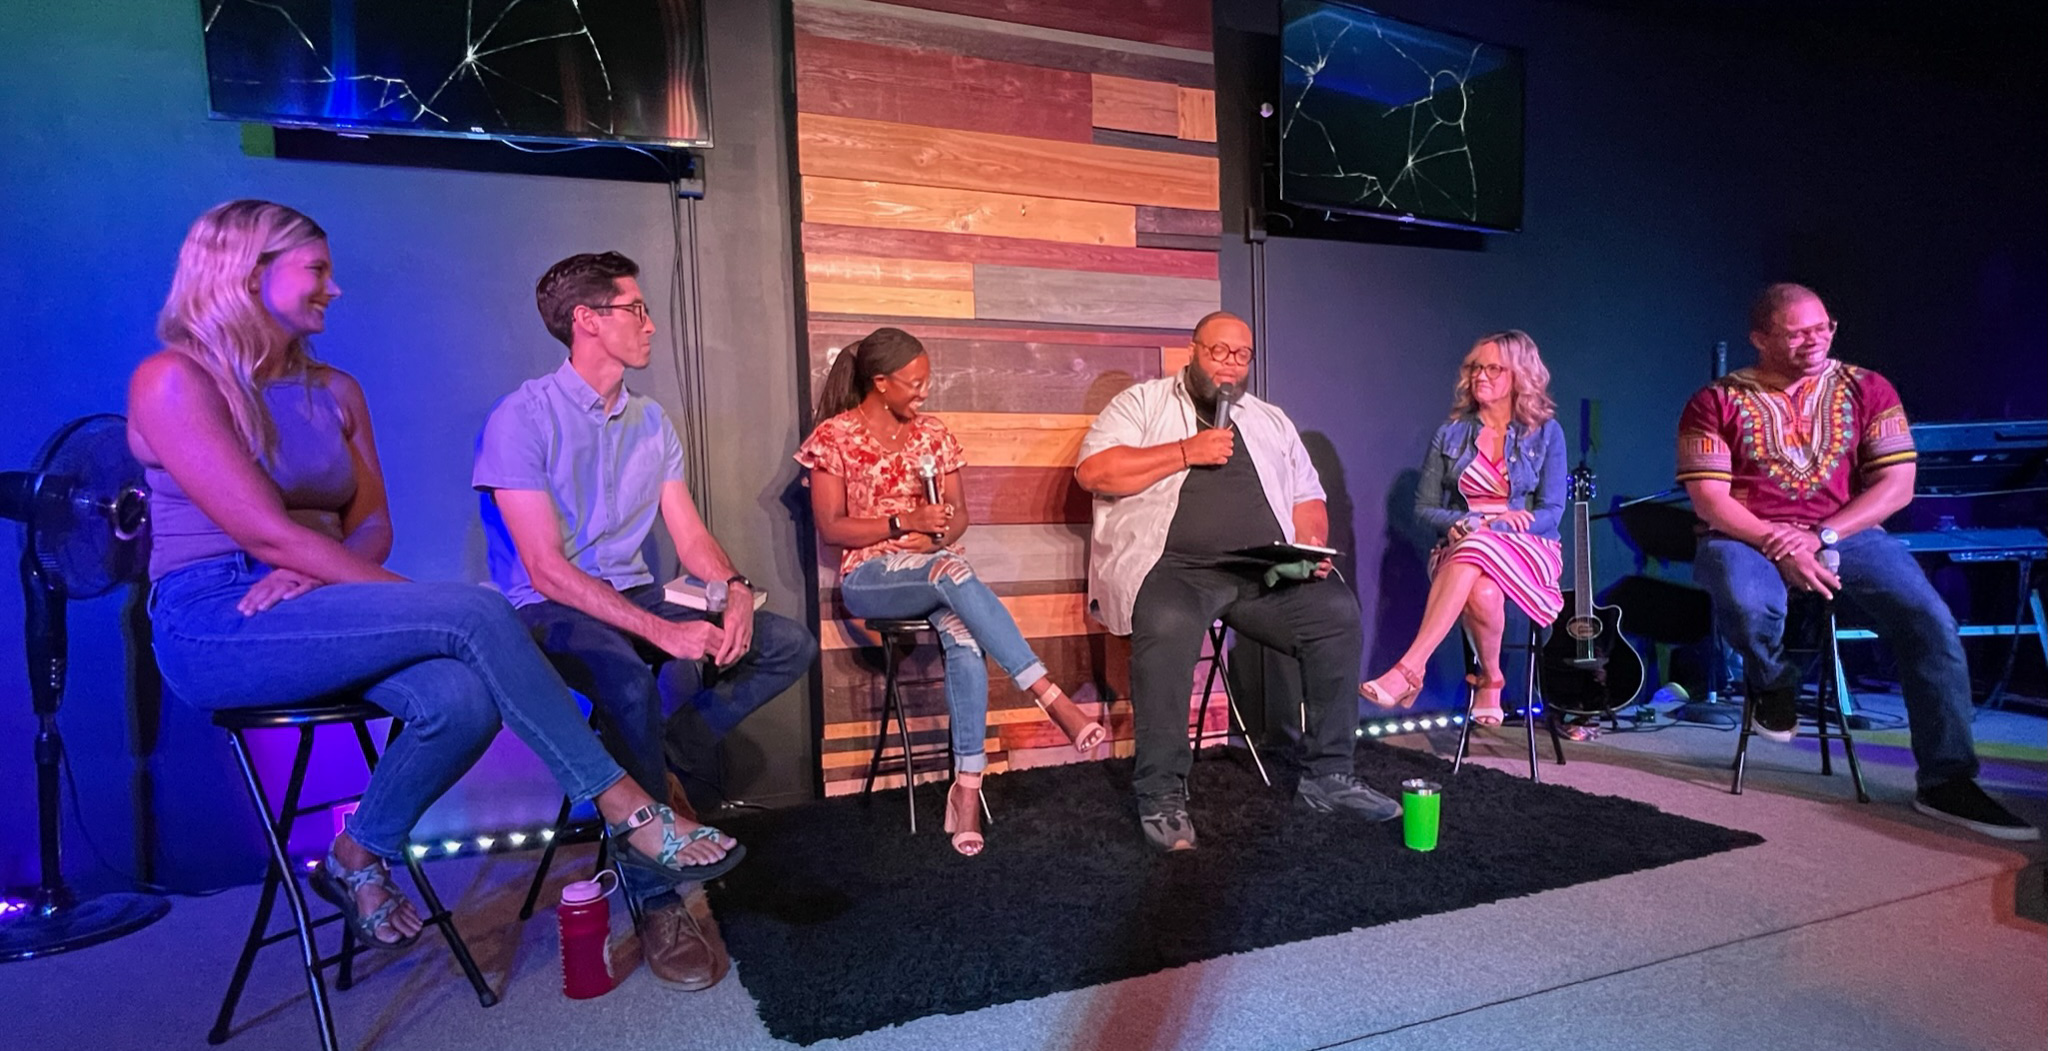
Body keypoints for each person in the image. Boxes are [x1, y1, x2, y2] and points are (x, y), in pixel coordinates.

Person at [132, 201, 741, 955]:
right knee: (478, 614)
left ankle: (357, 852)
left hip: (324, 593)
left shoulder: (335, 389)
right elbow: (263, 530)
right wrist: (328, 570)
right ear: (247, 272)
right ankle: (629, 808)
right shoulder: (172, 379)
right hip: (218, 615)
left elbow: (372, 523)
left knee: (461, 697)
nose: (335, 287)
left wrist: (325, 574)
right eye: (317, 271)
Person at [474, 251, 816, 987]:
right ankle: (660, 896)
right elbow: (545, 570)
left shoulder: (653, 420)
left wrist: (730, 591)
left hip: (634, 591)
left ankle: (661, 762)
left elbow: (687, 534)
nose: (651, 324)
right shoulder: (519, 417)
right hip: (547, 608)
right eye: (636, 309)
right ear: (587, 321)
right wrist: (663, 631)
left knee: (784, 640)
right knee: (624, 675)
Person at [1677, 282, 2036, 841]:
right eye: (1797, 333)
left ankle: (1947, 781)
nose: (1814, 341)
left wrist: (1823, 534)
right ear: (1760, 338)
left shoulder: (1868, 388)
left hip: (1844, 532)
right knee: (1745, 600)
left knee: (1929, 622)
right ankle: (1773, 682)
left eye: (1823, 328)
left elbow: (1898, 485)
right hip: (1744, 535)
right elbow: (1710, 500)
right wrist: (1779, 540)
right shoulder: (1714, 401)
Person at [1075, 310, 1400, 851]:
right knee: (1167, 625)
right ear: (1193, 351)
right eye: (1218, 351)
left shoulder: (1269, 419)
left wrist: (1310, 548)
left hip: (1261, 571)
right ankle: (1161, 794)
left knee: (1335, 614)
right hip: (1176, 569)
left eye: (1241, 354)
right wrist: (1185, 452)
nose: (1229, 363)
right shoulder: (1143, 404)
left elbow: (1307, 496)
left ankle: (1329, 776)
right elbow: (1094, 472)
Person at [796, 327, 1106, 856]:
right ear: (881, 382)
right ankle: (1050, 697)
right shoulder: (835, 437)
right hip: (871, 579)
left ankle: (966, 790)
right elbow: (832, 527)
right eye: (914, 382)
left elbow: (958, 517)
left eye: (927, 380)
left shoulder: (934, 435)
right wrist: (901, 522)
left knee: (962, 631)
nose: (924, 391)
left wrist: (937, 529)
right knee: (950, 575)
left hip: (935, 566)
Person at [1360, 331, 1566, 724]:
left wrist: (1502, 526)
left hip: (1529, 548)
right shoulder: (1450, 434)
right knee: (1483, 588)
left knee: (1480, 543)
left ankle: (1410, 668)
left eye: (1493, 369)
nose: (1480, 376)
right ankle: (1492, 679)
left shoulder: (1546, 433)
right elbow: (1423, 507)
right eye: (1475, 368)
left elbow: (1552, 510)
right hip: (1460, 549)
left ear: (1519, 376)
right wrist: (1465, 522)